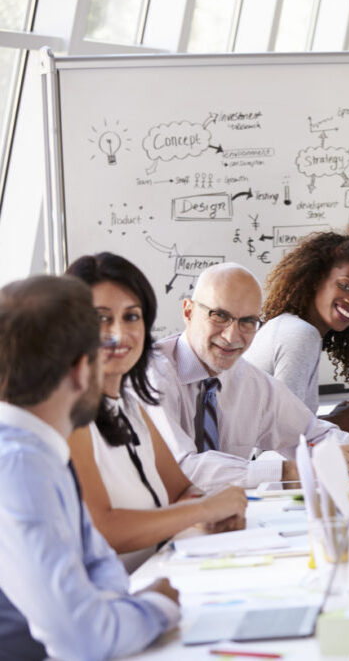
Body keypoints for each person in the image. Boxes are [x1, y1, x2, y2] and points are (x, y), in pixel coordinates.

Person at [0, 275, 179, 659]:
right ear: (83, 369)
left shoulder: (40, 450)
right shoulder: (19, 466)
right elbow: (84, 638)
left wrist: (116, 610)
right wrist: (157, 607)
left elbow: (100, 566)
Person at [65, 253, 247, 572]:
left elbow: (180, 489)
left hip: (160, 573)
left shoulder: (129, 403)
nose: (119, 334)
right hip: (114, 601)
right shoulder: (68, 416)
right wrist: (203, 511)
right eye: (100, 318)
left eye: (131, 317)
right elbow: (104, 530)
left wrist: (212, 513)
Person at [147, 262, 349, 492]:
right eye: (219, 315)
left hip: (229, 518)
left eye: (247, 322)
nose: (231, 336)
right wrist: (290, 471)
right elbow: (180, 469)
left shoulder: (250, 382)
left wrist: (342, 455)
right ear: (188, 311)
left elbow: (314, 431)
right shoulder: (151, 376)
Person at [244, 229, 349, 437]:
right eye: (345, 286)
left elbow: (281, 425)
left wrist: (335, 419)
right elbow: (281, 436)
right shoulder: (300, 334)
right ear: (315, 279)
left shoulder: (291, 327)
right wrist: (338, 424)